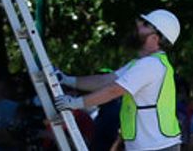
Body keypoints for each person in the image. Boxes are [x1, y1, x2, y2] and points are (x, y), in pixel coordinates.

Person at [57, 10, 184, 151]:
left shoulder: (150, 65)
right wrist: (67, 80)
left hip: (156, 148)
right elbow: (104, 81)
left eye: (146, 24)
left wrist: (76, 103)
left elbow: (113, 90)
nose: (138, 24)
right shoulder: (143, 64)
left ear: (155, 39)